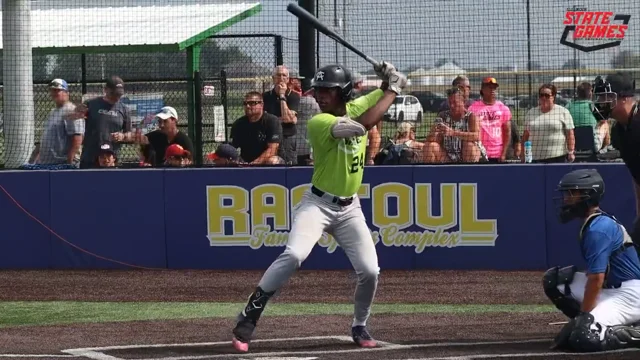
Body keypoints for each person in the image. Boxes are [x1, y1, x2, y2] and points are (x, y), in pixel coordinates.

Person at [230, 62, 407, 352]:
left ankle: (360, 325)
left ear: (344, 92)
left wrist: (388, 81)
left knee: (370, 271)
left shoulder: (355, 106)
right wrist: (393, 90)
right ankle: (250, 314)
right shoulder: (319, 122)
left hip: (350, 208)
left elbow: (380, 96)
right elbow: (363, 125)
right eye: (319, 90)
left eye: (328, 91)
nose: (320, 96)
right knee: (295, 254)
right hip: (318, 204)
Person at [543, 168, 640, 352]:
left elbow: (596, 279)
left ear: (587, 195)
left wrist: (583, 317)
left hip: (629, 296)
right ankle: (594, 321)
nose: (565, 199)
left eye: (571, 193)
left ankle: (630, 331)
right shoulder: (594, 222)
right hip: (612, 289)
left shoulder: (598, 229)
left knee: (584, 337)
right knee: (555, 281)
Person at [591, 73, 640, 244]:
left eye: (607, 96)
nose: (601, 102)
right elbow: (637, 177)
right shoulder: (618, 133)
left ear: (624, 98)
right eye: (600, 97)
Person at [69, 76, 133, 169]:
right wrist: (76, 112)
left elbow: (130, 134)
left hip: (110, 161)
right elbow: (72, 118)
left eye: (119, 94)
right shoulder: (91, 104)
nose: (116, 97)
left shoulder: (124, 109)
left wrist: (122, 136)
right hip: (89, 159)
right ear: (106, 90)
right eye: (114, 93)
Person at [521, 84, 575, 163]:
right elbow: (525, 136)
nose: (543, 98)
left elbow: (570, 134)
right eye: (541, 95)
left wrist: (571, 152)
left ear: (553, 97)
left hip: (557, 156)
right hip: (535, 158)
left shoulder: (563, 112)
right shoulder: (531, 112)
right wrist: (523, 154)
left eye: (547, 95)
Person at [230, 92, 283, 165]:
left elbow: (272, 149)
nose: (248, 106)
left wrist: (254, 164)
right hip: (246, 161)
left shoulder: (272, 121)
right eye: (245, 104)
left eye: (252, 103)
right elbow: (232, 147)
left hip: (266, 160)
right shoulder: (239, 124)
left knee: (273, 161)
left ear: (261, 105)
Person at [262, 65, 300, 165]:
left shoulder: (293, 96)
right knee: (270, 163)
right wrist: (281, 119)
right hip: (270, 138)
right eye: (278, 75)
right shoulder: (265, 96)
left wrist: (282, 96)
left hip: (287, 136)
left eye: (284, 75)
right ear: (273, 78)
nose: (281, 78)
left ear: (288, 79)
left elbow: (287, 119)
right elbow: (263, 119)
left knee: (290, 166)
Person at [468, 77, 512, 163]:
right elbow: (471, 131)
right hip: (480, 153)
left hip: (498, 154)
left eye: (494, 87)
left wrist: (503, 153)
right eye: (489, 87)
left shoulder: (503, 108)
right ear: (482, 90)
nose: (492, 90)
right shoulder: (473, 108)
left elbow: (507, 132)